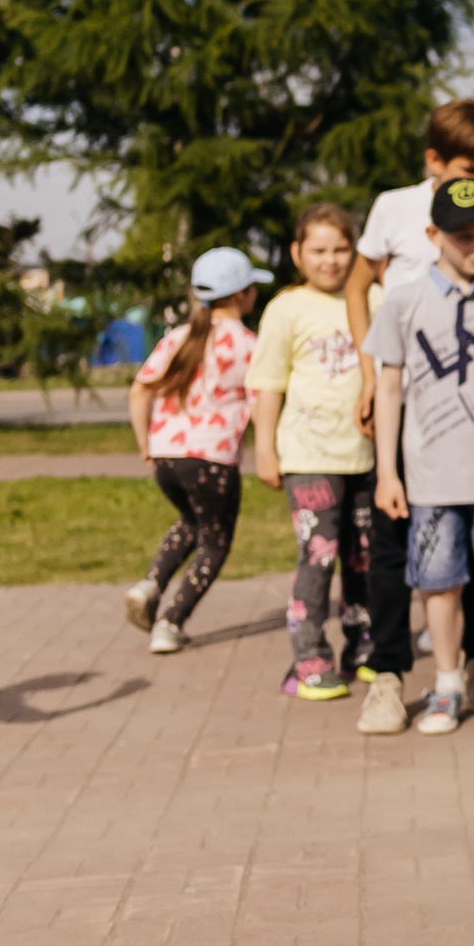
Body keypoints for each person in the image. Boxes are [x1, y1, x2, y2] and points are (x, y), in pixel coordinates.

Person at [345, 100, 474, 735]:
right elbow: (358, 288)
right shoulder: (393, 207)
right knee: (400, 549)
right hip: (409, 397)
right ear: (434, 161)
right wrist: (370, 374)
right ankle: (391, 674)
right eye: (469, 168)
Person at [249, 205, 375, 699]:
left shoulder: (372, 298)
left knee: (364, 556)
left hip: (365, 454)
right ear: (297, 253)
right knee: (318, 557)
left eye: (341, 249)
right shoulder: (286, 308)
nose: (331, 260)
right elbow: (267, 383)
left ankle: (365, 645)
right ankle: (309, 658)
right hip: (308, 457)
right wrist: (264, 450)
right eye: (319, 250)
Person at [124, 246, 268, 654]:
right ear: (242, 295)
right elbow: (260, 406)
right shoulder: (249, 345)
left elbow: (139, 391)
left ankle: (150, 584)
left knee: (192, 521)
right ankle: (171, 622)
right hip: (212, 461)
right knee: (215, 542)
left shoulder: (177, 337)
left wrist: (145, 444)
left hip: (166, 458)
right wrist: (270, 450)